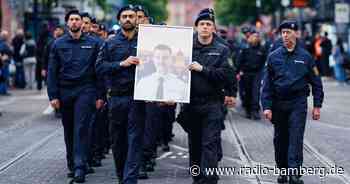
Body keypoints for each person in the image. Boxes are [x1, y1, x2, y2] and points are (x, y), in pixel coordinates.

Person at [261, 20, 324, 184]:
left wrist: (317, 105)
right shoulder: (273, 57)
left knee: (296, 137)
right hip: (278, 103)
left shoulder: (306, 57)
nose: (285, 35)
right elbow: (266, 84)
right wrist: (266, 106)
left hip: (298, 102)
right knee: (280, 138)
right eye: (283, 32)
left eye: (288, 32)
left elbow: (316, 83)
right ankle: (282, 170)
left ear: (296, 34)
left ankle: (294, 174)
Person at [47, 10, 104, 183]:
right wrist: (53, 95)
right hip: (65, 91)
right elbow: (52, 72)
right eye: (71, 19)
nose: (74, 22)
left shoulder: (93, 44)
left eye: (77, 19)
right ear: (67, 23)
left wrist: (100, 95)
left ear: (82, 23)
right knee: (69, 129)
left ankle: (80, 167)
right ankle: (72, 164)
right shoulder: (58, 44)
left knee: (81, 128)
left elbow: (99, 72)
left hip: (85, 90)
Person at [96, 5, 147, 184]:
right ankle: (121, 175)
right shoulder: (109, 43)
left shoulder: (146, 41)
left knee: (135, 140)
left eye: (131, 16)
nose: (127, 19)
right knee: (118, 142)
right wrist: (121, 64)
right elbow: (99, 68)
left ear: (136, 20)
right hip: (116, 98)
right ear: (119, 20)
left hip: (137, 97)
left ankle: (130, 179)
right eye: (124, 16)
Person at [184, 9, 234, 184]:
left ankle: (209, 179)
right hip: (190, 104)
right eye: (202, 24)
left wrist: (203, 70)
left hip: (212, 103)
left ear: (213, 28)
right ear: (196, 27)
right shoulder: (185, 48)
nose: (205, 27)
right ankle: (197, 177)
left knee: (210, 143)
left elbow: (227, 75)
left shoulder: (222, 50)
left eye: (208, 24)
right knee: (195, 144)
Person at [237, 30, 267, 119]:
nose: (255, 38)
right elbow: (240, 61)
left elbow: (263, 61)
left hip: (257, 73)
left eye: (257, 37)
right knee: (247, 92)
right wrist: (239, 71)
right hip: (246, 73)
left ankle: (255, 110)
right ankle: (248, 110)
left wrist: (262, 72)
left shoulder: (262, 49)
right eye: (253, 37)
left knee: (256, 92)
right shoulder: (245, 49)